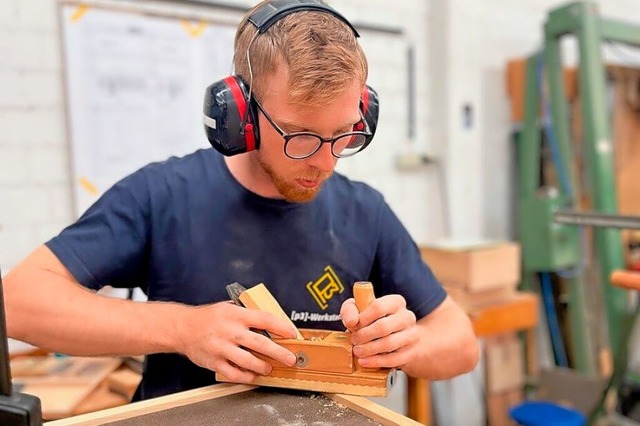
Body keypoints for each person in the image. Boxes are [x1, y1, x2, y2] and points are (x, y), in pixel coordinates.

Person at [4, 0, 479, 401]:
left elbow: (461, 344)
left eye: (343, 134)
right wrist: (182, 329)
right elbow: (19, 301)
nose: (326, 163)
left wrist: (405, 343)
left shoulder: (365, 211)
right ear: (240, 116)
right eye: (300, 136)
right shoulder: (163, 194)